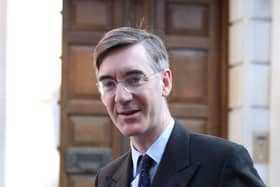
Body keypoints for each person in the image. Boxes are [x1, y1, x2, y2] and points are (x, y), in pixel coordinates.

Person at [93, 27, 266, 187]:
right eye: (108, 84)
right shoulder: (106, 178)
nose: (121, 97)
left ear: (165, 82)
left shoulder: (222, 162)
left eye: (135, 79)